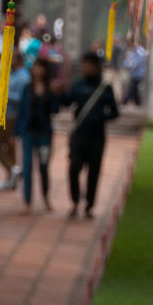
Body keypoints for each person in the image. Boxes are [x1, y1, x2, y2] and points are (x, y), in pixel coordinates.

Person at [60, 51, 119, 218]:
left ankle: (89, 205)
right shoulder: (78, 84)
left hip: (97, 137)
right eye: (84, 65)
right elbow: (67, 101)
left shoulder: (105, 88)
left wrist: (101, 118)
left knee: (94, 172)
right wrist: (60, 92)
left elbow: (115, 112)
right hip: (79, 135)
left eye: (89, 66)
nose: (86, 68)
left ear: (96, 67)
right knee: (73, 168)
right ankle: (75, 200)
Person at [15, 58, 59, 212]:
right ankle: (27, 201)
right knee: (27, 167)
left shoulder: (50, 89)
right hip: (28, 132)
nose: (38, 71)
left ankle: (46, 197)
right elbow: (21, 110)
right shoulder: (27, 88)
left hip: (44, 133)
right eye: (36, 68)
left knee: (43, 167)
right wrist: (17, 131)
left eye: (41, 68)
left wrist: (56, 94)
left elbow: (55, 110)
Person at [0, 50, 30, 190]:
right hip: (5, 114)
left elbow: (22, 98)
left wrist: (5, 95)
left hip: (11, 116)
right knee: (8, 148)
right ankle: (11, 178)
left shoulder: (23, 77)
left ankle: (14, 169)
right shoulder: (13, 74)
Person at [122, 39, 147, 106]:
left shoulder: (140, 51)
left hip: (139, 73)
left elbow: (136, 63)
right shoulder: (133, 51)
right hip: (134, 73)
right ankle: (137, 102)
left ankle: (125, 101)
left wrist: (129, 65)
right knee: (134, 88)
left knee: (133, 87)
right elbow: (128, 60)